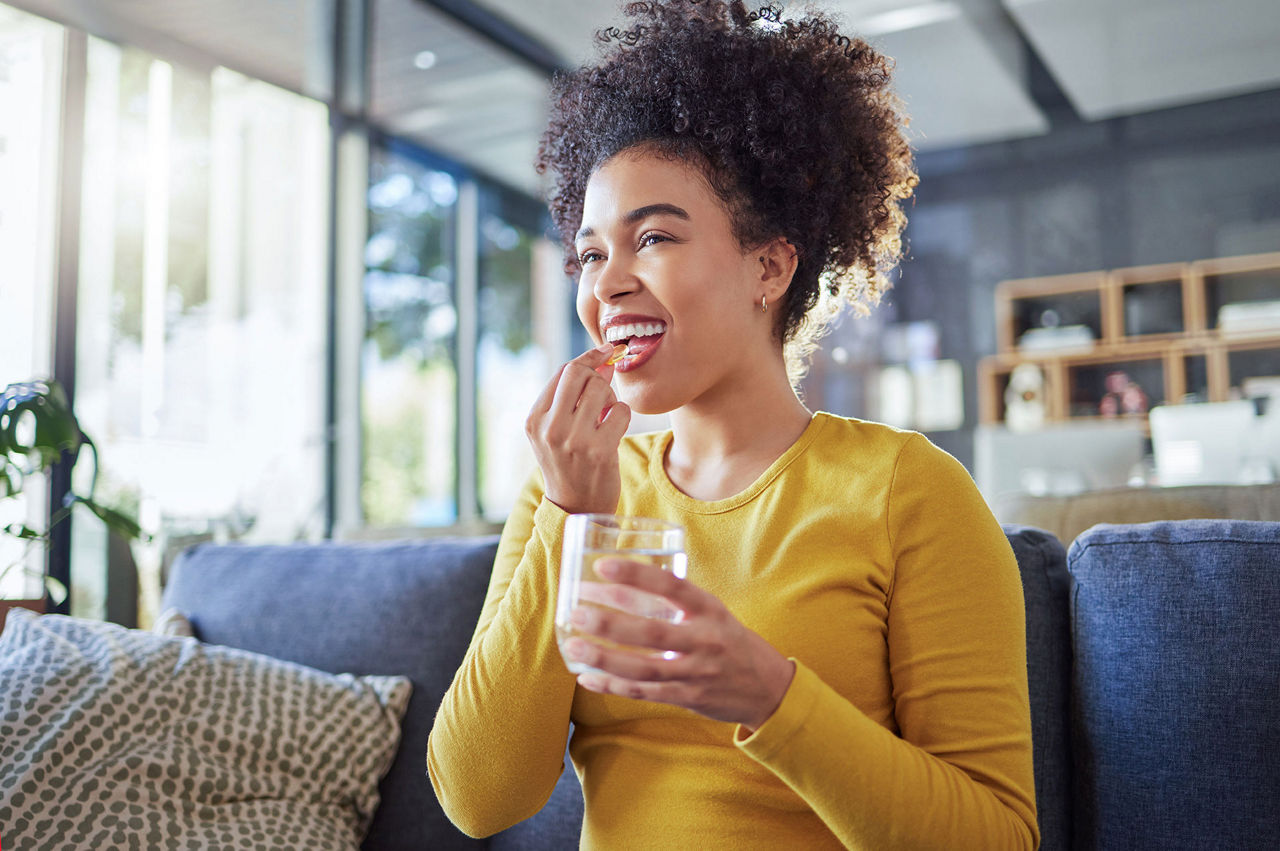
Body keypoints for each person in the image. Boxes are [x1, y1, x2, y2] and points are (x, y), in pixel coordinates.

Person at [428, 1, 1039, 847]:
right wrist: (571, 519)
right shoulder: (568, 492)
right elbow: (478, 795)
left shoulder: (909, 491)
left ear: (770, 265)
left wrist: (768, 693)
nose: (606, 285)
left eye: (655, 238)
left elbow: (997, 835)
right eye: (592, 252)